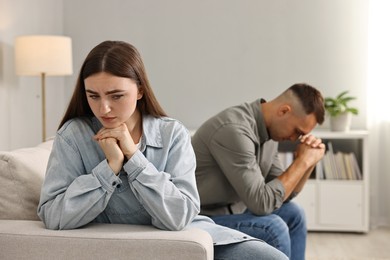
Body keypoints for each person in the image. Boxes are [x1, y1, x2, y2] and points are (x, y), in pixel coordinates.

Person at [37, 40, 288, 260]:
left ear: (140, 91)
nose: (103, 109)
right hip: (117, 245)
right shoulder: (72, 136)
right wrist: (110, 167)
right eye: (93, 96)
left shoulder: (172, 134)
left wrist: (134, 159)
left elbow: (180, 217)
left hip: (184, 241)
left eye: (116, 96)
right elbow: (53, 216)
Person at [192, 83, 326, 260]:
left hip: (234, 210)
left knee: (295, 214)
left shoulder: (270, 133)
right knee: (274, 227)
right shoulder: (234, 130)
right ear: (284, 111)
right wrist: (303, 161)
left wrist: (310, 162)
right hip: (202, 218)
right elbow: (261, 204)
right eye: (296, 131)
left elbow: (285, 194)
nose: (295, 139)